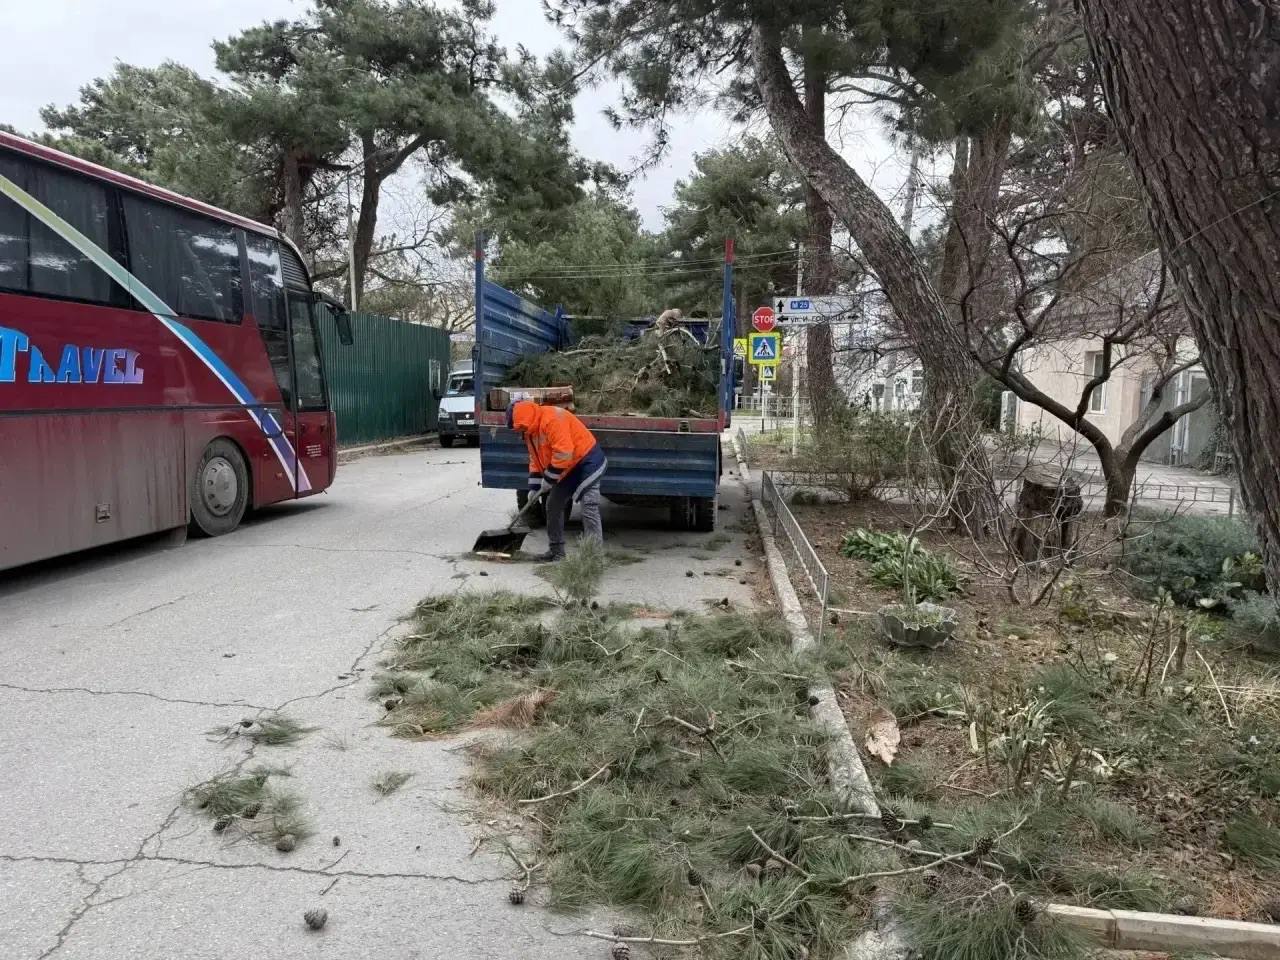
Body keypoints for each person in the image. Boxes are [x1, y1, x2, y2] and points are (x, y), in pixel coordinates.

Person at [507, 400, 607, 562]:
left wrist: (549, 479)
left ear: (524, 420)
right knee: (553, 505)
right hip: (566, 467)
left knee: (589, 506)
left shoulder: (552, 419)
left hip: (587, 461)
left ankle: (594, 558)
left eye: (519, 427)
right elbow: (536, 459)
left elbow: (564, 452)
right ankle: (556, 552)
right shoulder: (530, 431)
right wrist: (534, 487)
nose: (519, 432)